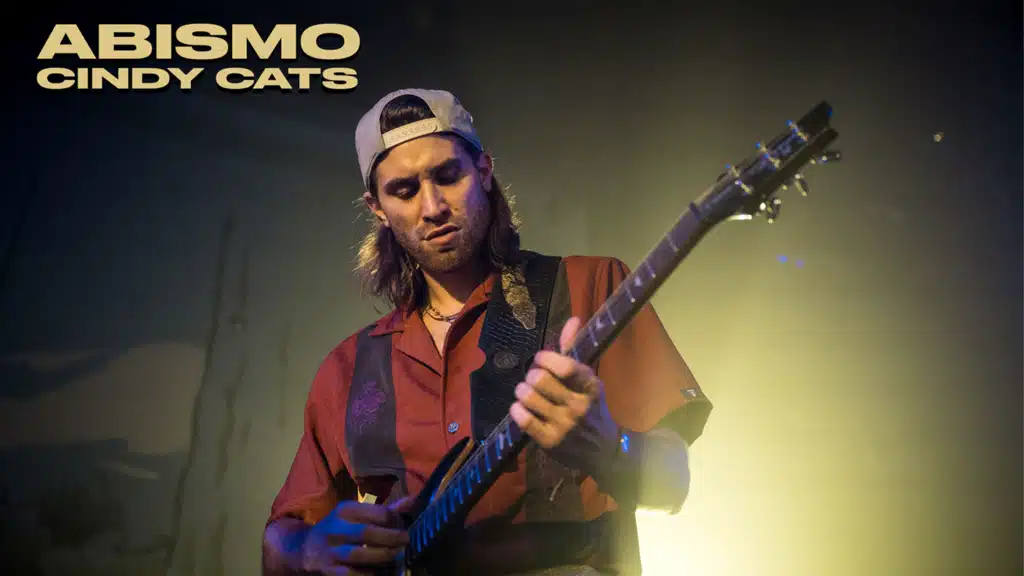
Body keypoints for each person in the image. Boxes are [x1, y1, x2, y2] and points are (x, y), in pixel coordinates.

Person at [261, 88, 713, 575]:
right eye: (404, 191)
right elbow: (277, 541)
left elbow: (673, 482)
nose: (432, 206)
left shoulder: (589, 288)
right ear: (378, 208)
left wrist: (609, 446)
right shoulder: (348, 368)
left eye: (447, 176)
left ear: (483, 170)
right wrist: (307, 551)